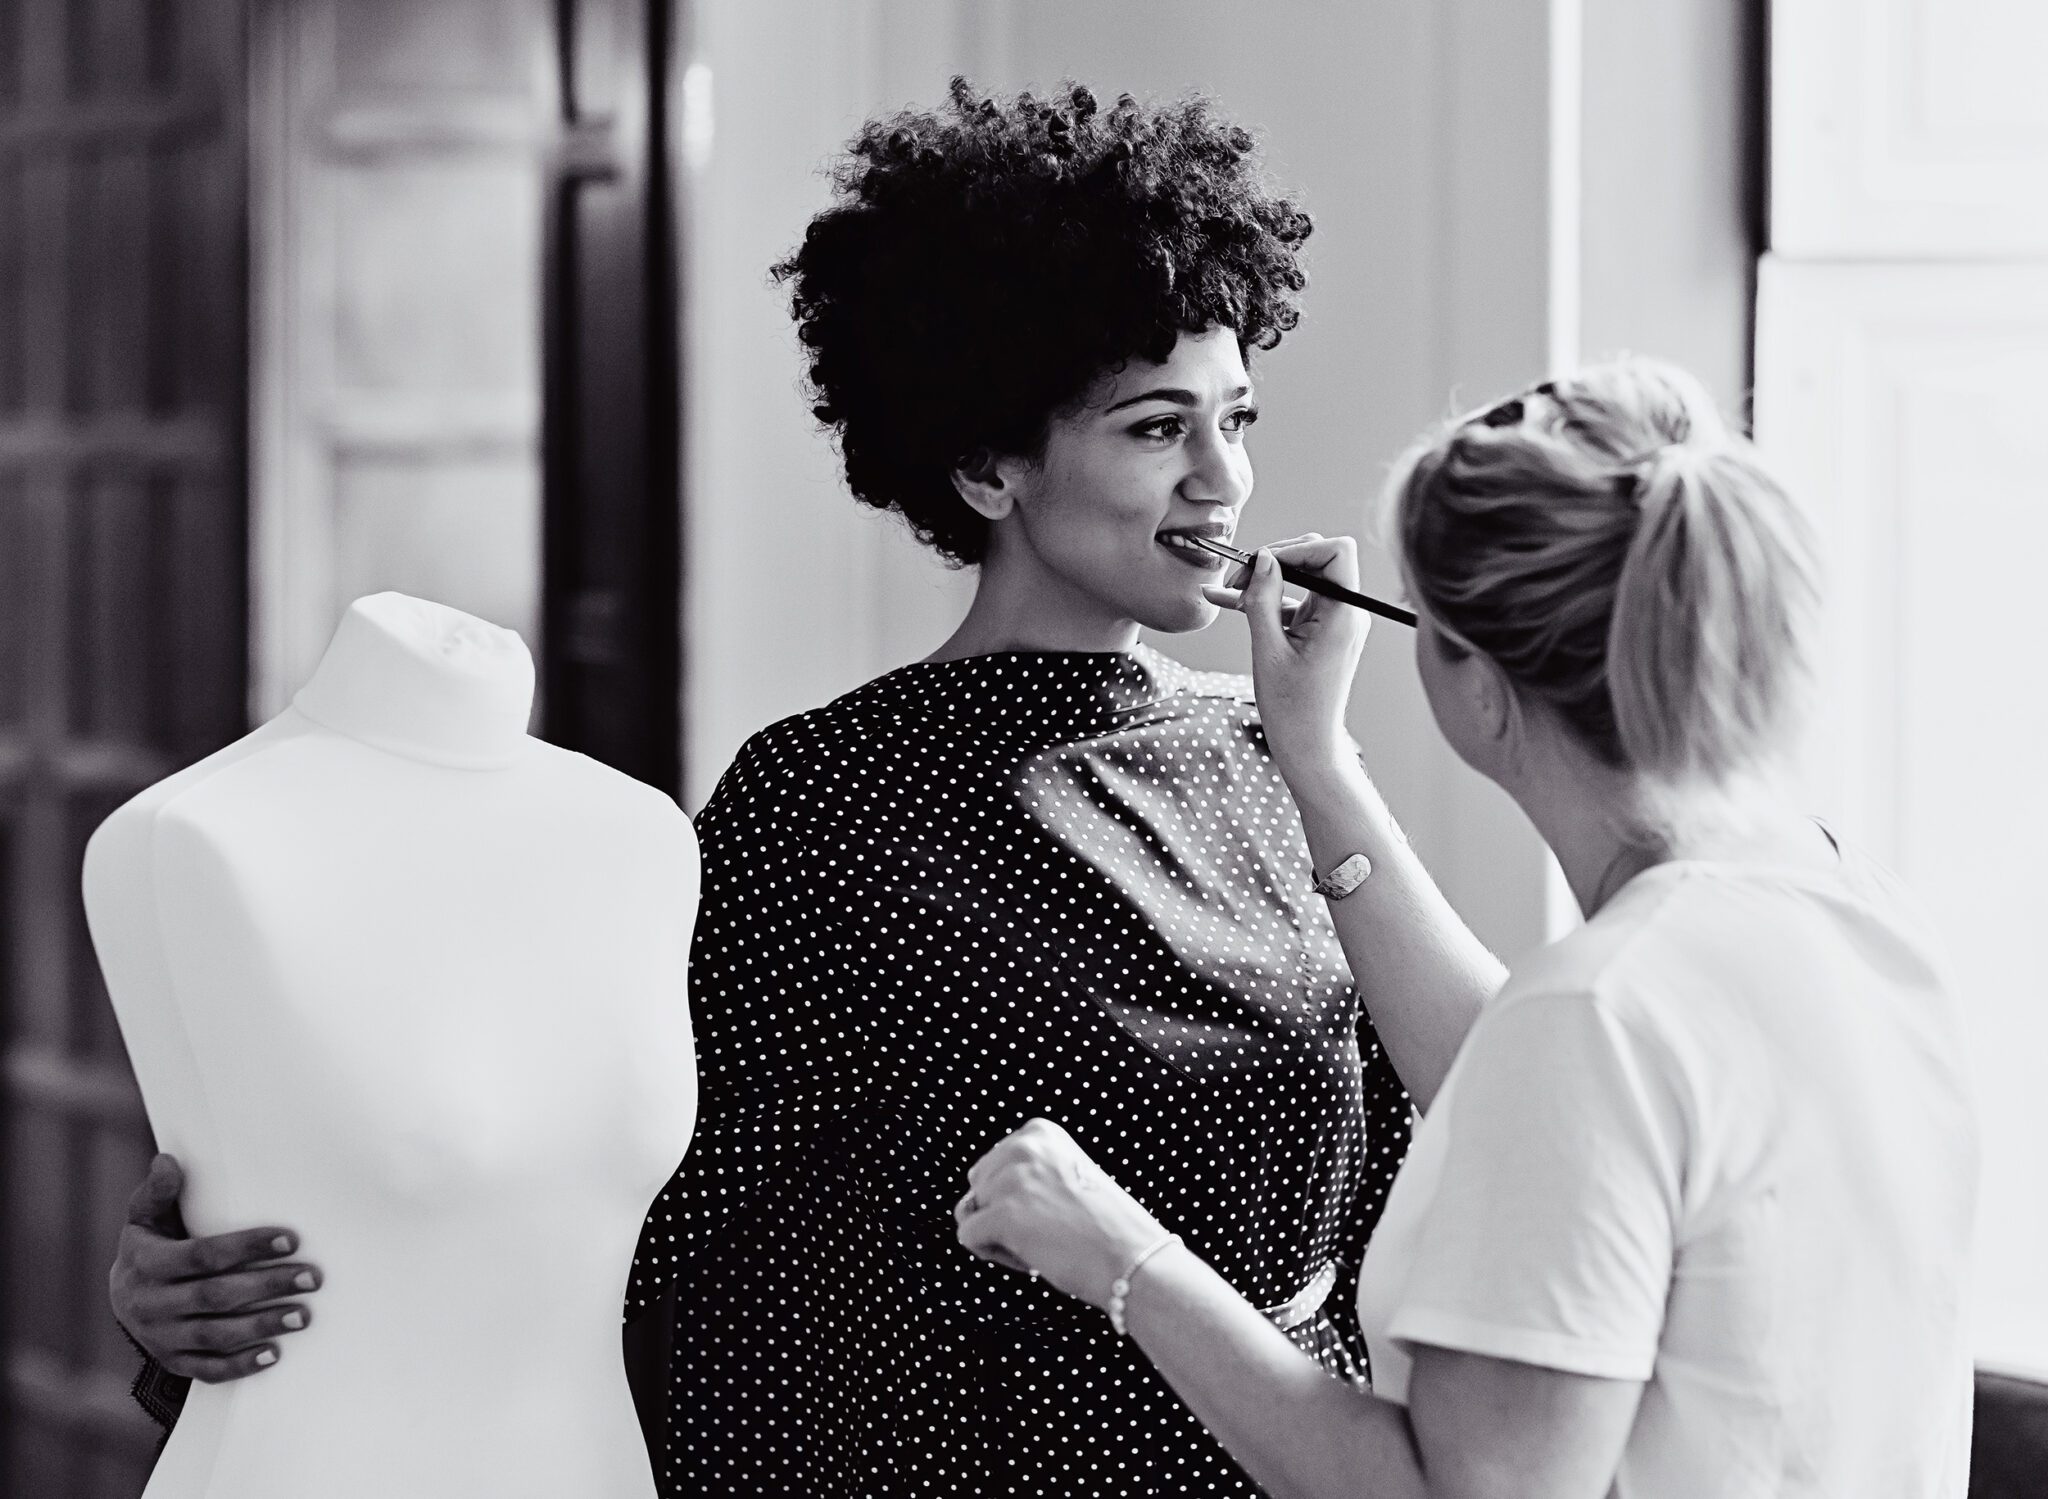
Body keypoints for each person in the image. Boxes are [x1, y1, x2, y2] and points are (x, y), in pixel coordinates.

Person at [110, 81, 1504, 1493]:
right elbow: (625, 1213)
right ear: (985, 464)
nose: (1226, 480)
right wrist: (211, 1289)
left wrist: (1322, 760)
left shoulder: (1284, 755)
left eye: (1236, 416)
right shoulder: (827, 800)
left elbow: (1495, 1111)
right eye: (1157, 428)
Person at [961, 359, 1981, 1498]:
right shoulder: (1842, 902)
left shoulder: (1601, 1013)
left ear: (1481, 689)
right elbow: (1548, 1105)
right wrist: (1317, 758)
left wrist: (1123, 1257)